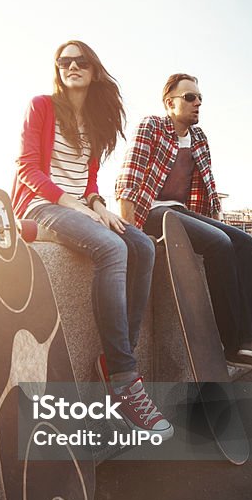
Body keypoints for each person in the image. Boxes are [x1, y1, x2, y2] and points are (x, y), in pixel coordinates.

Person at [11, 40, 174, 438]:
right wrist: (71, 204)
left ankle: (118, 358)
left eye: (80, 60)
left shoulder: (98, 120)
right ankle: (124, 380)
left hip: (80, 206)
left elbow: (90, 179)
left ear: (94, 69)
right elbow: (27, 167)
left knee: (142, 246)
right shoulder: (42, 106)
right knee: (111, 247)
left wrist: (97, 204)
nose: (71, 66)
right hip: (40, 206)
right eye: (63, 61)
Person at [115, 72, 252, 372]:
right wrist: (130, 233)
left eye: (200, 98)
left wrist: (220, 222)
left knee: (242, 241)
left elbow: (208, 188)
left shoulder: (199, 138)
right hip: (152, 214)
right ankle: (234, 344)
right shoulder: (152, 126)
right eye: (189, 97)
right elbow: (129, 180)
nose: (197, 104)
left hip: (182, 214)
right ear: (170, 103)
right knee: (218, 244)